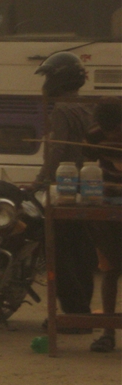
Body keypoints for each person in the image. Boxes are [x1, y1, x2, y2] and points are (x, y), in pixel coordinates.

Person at [33, 51, 98, 322]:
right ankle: (81, 312)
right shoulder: (85, 108)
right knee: (84, 254)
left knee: (60, 254)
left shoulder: (61, 111)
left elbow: (57, 152)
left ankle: (73, 314)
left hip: (66, 192)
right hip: (89, 191)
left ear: (58, 80)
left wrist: (38, 182)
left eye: (49, 76)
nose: (45, 83)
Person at [85, 97, 122, 352]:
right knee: (110, 269)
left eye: (116, 130)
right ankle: (108, 332)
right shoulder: (97, 134)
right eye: (108, 131)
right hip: (109, 207)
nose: (113, 134)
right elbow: (87, 154)